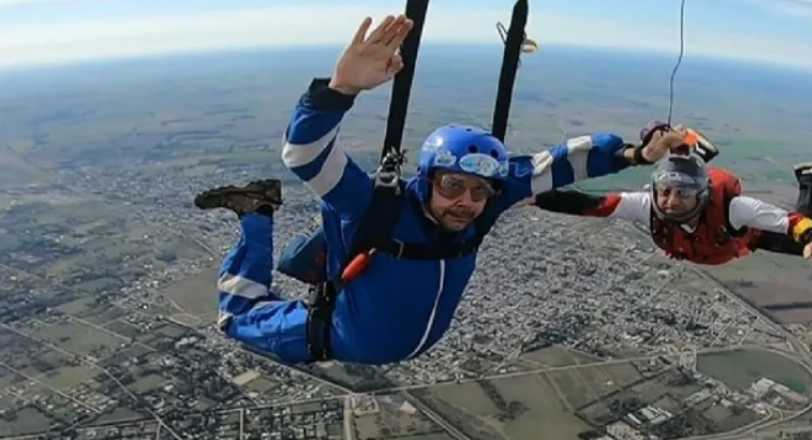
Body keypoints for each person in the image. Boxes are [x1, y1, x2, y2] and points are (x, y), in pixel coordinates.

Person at [193, 15, 675, 364]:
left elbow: (560, 163)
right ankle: (256, 213)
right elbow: (304, 155)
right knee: (237, 318)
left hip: (381, 340)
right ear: (425, 181)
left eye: (479, 190)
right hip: (336, 337)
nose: (466, 201)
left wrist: (636, 155)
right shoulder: (375, 206)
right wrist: (340, 89)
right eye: (451, 185)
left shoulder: (485, 206)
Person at [534, 123, 812, 266]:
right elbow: (591, 205)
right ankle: (688, 146)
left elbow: (792, 221)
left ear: (701, 196)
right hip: (724, 243)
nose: (670, 202)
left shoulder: (735, 209)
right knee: (680, 172)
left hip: (746, 236)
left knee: (805, 248)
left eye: (683, 196)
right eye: (665, 193)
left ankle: (810, 179)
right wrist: (532, 195)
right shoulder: (649, 205)